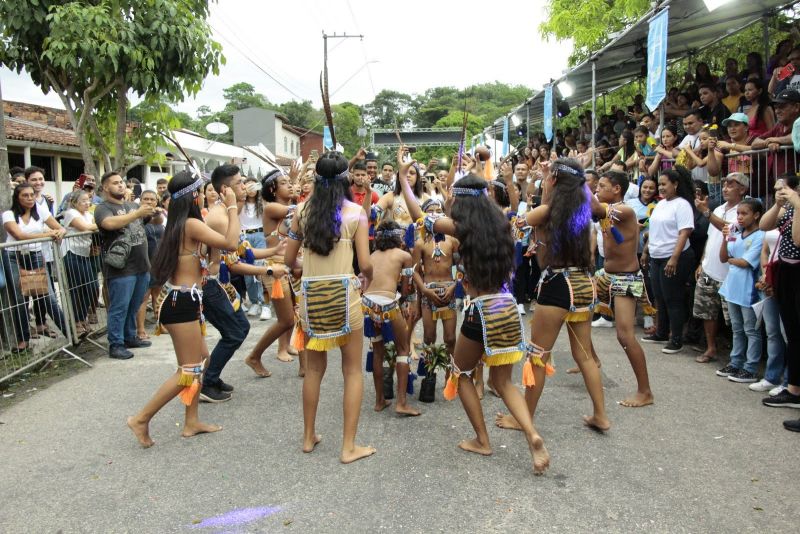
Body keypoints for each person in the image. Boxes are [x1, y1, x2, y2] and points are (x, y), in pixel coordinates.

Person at [398, 159, 549, 475]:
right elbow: (520, 202)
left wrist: (404, 179)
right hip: (508, 307)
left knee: (461, 372)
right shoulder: (504, 225)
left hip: (481, 311)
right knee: (504, 382)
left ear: (461, 201)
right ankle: (532, 434)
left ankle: (482, 439)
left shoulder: (460, 229)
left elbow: (419, 217)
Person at [126, 170, 241, 448]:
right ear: (192, 195)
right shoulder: (189, 225)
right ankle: (141, 418)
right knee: (188, 370)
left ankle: (191, 421)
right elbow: (230, 243)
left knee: (201, 361)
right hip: (181, 303)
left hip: (185, 300)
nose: (203, 194)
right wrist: (233, 206)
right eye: (200, 191)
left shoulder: (184, 224)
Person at [284, 151, 376, 464]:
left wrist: (303, 265)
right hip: (345, 296)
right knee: (351, 371)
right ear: (346, 179)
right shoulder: (356, 213)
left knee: (313, 370)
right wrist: (368, 278)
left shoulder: (302, 211)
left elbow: (287, 260)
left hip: (311, 298)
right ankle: (348, 447)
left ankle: (308, 436)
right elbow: (364, 263)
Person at [592, 171, 654, 407]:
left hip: (625, 278)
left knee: (625, 335)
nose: (597, 189)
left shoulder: (624, 210)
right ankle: (591, 359)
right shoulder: (609, 209)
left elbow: (595, 209)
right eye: (596, 186)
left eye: (602, 186)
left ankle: (645, 391)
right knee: (576, 312)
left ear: (617, 189)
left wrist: (577, 180)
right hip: (606, 274)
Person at [245, 169, 300, 374]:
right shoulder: (271, 208)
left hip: (290, 265)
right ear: (272, 188)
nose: (289, 185)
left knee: (293, 313)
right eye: (284, 183)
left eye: (288, 182)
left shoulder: (285, 206)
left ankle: (289, 350)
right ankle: (255, 356)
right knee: (286, 319)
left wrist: (293, 182)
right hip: (274, 267)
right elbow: (300, 209)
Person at [94, 171, 154, 360]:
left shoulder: (131, 205)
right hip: (121, 268)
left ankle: (130, 336)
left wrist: (154, 212)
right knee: (119, 307)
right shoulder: (103, 208)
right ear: (105, 187)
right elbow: (109, 224)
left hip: (141, 265)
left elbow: (145, 221)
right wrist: (137, 212)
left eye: (121, 182)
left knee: (134, 305)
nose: (120, 185)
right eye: (115, 183)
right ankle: (116, 344)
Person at [1, 184, 68, 352]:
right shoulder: (8, 214)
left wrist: (61, 231)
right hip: (13, 256)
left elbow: (59, 227)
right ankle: (23, 339)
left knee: (48, 296)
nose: (30, 198)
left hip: (36, 255)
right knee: (20, 298)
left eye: (31, 195)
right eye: (25, 195)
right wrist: (48, 234)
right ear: (17, 197)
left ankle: (69, 331)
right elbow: (19, 235)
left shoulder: (41, 211)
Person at [692, 173, 748, 363]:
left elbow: (731, 230)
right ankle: (711, 348)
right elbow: (711, 238)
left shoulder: (744, 209)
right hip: (709, 269)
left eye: (731, 185)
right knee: (707, 312)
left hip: (731, 273)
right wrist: (702, 262)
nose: (725, 188)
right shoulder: (720, 208)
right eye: (724, 184)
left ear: (742, 189)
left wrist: (706, 212)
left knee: (735, 318)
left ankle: (739, 357)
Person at [759, 175, 800, 432]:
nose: (779, 192)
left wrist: (797, 203)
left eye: (783, 189)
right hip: (785, 270)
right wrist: (778, 204)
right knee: (794, 333)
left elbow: (798, 239)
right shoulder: (785, 206)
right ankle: (794, 389)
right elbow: (765, 225)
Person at [641, 166, 696, 354]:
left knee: (673, 298)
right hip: (656, 256)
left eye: (664, 184)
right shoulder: (661, 204)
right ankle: (661, 332)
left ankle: (677, 338)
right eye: (660, 185)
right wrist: (647, 251)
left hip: (674, 257)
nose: (661, 188)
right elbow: (654, 232)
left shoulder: (682, 205)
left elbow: (684, 232)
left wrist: (674, 258)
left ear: (676, 184)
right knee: (659, 296)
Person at [364, 220, 416, 415]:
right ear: (398, 237)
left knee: (378, 352)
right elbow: (406, 289)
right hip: (388, 303)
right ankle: (401, 403)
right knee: (403, 349)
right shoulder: (404, 255)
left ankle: (379, 401)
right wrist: (405, 305)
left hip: (368, 304)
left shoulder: (372, 255)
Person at [716, 199, 765, 384]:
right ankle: (735, 362)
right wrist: (724, 237)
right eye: (738, 214)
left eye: (744, 214)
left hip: (748, 290)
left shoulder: (760, 236)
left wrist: (732, 259)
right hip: (732, 288)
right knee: (736, 329)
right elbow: (723, 257)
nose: (740, 217)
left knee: (751, 330)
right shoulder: (736, 233)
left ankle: (750, 367)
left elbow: (745, 262)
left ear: (757, 215)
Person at [412, 198, 459, 389]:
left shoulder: (453, 240)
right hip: (428, 292)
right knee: (429, 338)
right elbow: (414, 270)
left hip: (449, 290)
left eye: (438, 210)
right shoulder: (420, 242)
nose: (434, 214)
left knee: (450, 338)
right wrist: (423, 290)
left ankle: (451, 377)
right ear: (423, 215)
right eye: (429, 211)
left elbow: (464, 266)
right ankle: (429, 377)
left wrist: (454, 286)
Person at [61, 190, 100, 338]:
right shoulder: (71, 213)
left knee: (91, 287)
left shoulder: (89, 215)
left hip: (85, 254)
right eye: (83, 201)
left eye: (88, 200)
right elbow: (85, 228)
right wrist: (102, 223)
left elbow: (93, 227)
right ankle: (76, 321)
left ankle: (82, 316)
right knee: (75, 288)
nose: (86, 203)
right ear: (74, 202)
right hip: (71, 253)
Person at [136, 190, 165, 340]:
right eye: (145, 198)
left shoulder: (158, 215)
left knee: (158, 295)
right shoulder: (136, 215)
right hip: (143, 262)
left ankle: (161, 322)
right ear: (140, 200)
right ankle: (140, 330)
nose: (148, 201)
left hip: (158, 260)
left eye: (152, 199)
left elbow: (159, 221)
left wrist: (157, 212)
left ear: (157, 201)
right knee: (144, 297)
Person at [239, 177, 269, 320]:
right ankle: (254, 302)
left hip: (259, 234)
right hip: (245, 237)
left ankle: (265, 304)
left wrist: (260, 191)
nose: (251, 189)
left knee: (261, 268)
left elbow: (268, 207)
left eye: (253, 186)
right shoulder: (240, 203)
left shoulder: (262, 202)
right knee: (248, 271)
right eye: (247, 186)